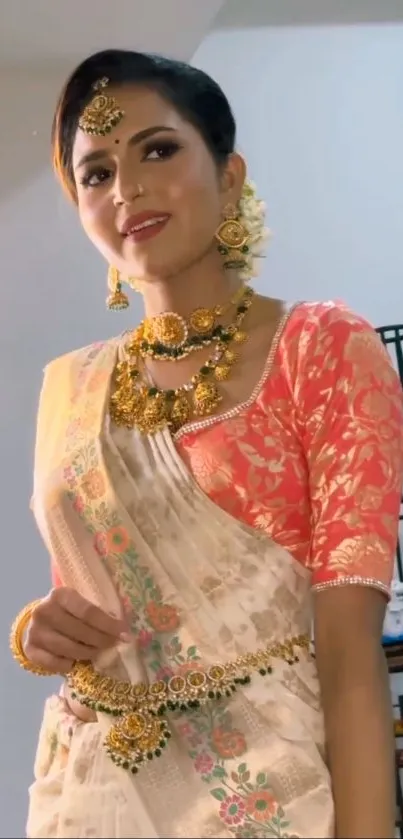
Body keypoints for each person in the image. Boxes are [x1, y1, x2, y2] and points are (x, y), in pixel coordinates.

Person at [9, 48, 403, 839]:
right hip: (93, 797)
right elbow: (93, 606)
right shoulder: (70, 389)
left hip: (268, 797)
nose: (126, 189)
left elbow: (351, 659)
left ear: (229, 175)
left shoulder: (320, 347)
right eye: (95, 173)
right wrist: (34, 630)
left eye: (157, 149)